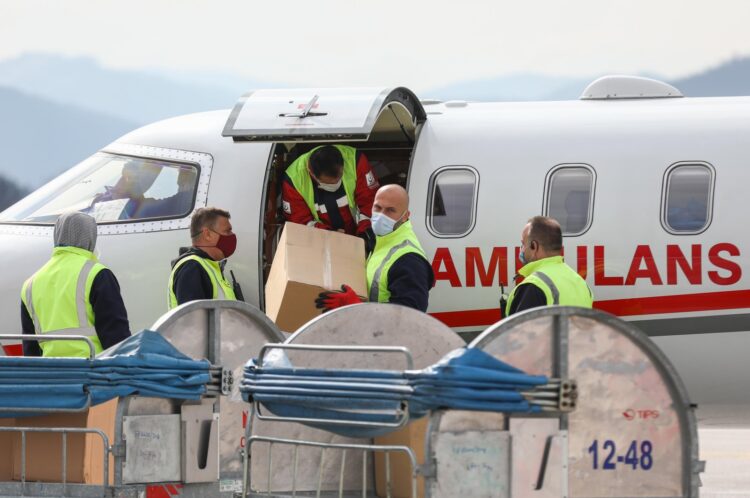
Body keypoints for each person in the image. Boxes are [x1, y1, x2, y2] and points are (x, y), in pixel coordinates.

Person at [20, 212, 131, 357]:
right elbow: (117, 338)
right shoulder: (97, 273)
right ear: (91, 237)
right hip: (93, 373)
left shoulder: (30, 284)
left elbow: (31, 350)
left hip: (52, 374)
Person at [315, 184, 433, 312]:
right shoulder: (381, 239)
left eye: (390, 210)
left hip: (388, 331)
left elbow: (411, 314)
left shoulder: (409, 260)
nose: (381, 215)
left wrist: (358, 306)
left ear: (405, 216)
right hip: (372, 327)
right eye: (377, 207)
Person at [282, 145, 379, 254]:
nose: (335, 184)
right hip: (321, 245)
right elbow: (300, 223)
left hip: (359, 236)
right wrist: (329, 235)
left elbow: (371, 202)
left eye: (339, 178)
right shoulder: (293, 180)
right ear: (311, 172)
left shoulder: (355, 160)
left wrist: (364, 236)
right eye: (329, 183)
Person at [505, 216, 593, 316]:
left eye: (523, 244)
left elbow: (521, 330)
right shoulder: (581, 283)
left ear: (534, 246)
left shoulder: (533, 286)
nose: (522, 250)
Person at [168, 207, 238, 309]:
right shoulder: (192, 268)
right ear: (207, 234)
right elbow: (193, 322)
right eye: (227, 231)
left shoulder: (210, 266)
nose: (232, 235)